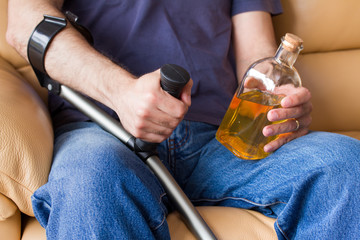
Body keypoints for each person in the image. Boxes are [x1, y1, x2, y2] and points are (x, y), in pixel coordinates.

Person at [6, 0, 360, 239]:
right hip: (102, 129)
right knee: (92, 181)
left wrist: (279, 101)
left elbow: (257, 57)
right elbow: (25, 27)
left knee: (344, 165)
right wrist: (122, 92)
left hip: (219, 142)